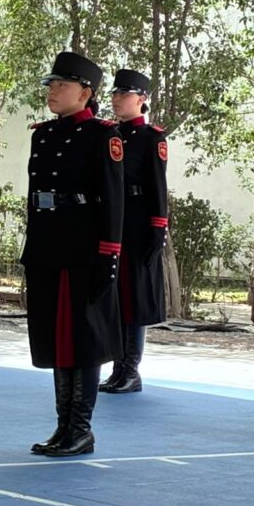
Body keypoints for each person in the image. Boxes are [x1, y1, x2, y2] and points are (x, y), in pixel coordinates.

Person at [22, 52, 124, 457]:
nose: (52, 91)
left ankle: (80, 429)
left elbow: (113, 201)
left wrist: (109, 256)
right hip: (47, 245)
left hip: (83, 248)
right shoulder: (42, 134)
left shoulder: (103, 136)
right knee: (56, 337)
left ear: (85, 92)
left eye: (61, 85)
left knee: (82, 338)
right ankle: (63, 426)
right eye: (51, 84)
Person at [100, 69, 168, 394]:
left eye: (123, 94)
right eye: (115, 93)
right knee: (114, 299)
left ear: (141, 99)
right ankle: (117, 367)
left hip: (138, 223)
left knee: (134, 298)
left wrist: (158, 228)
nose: (116, 99)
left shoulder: (151, 138)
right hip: (112, 223)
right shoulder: (108, 134)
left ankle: (130, 370)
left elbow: (158, 187)